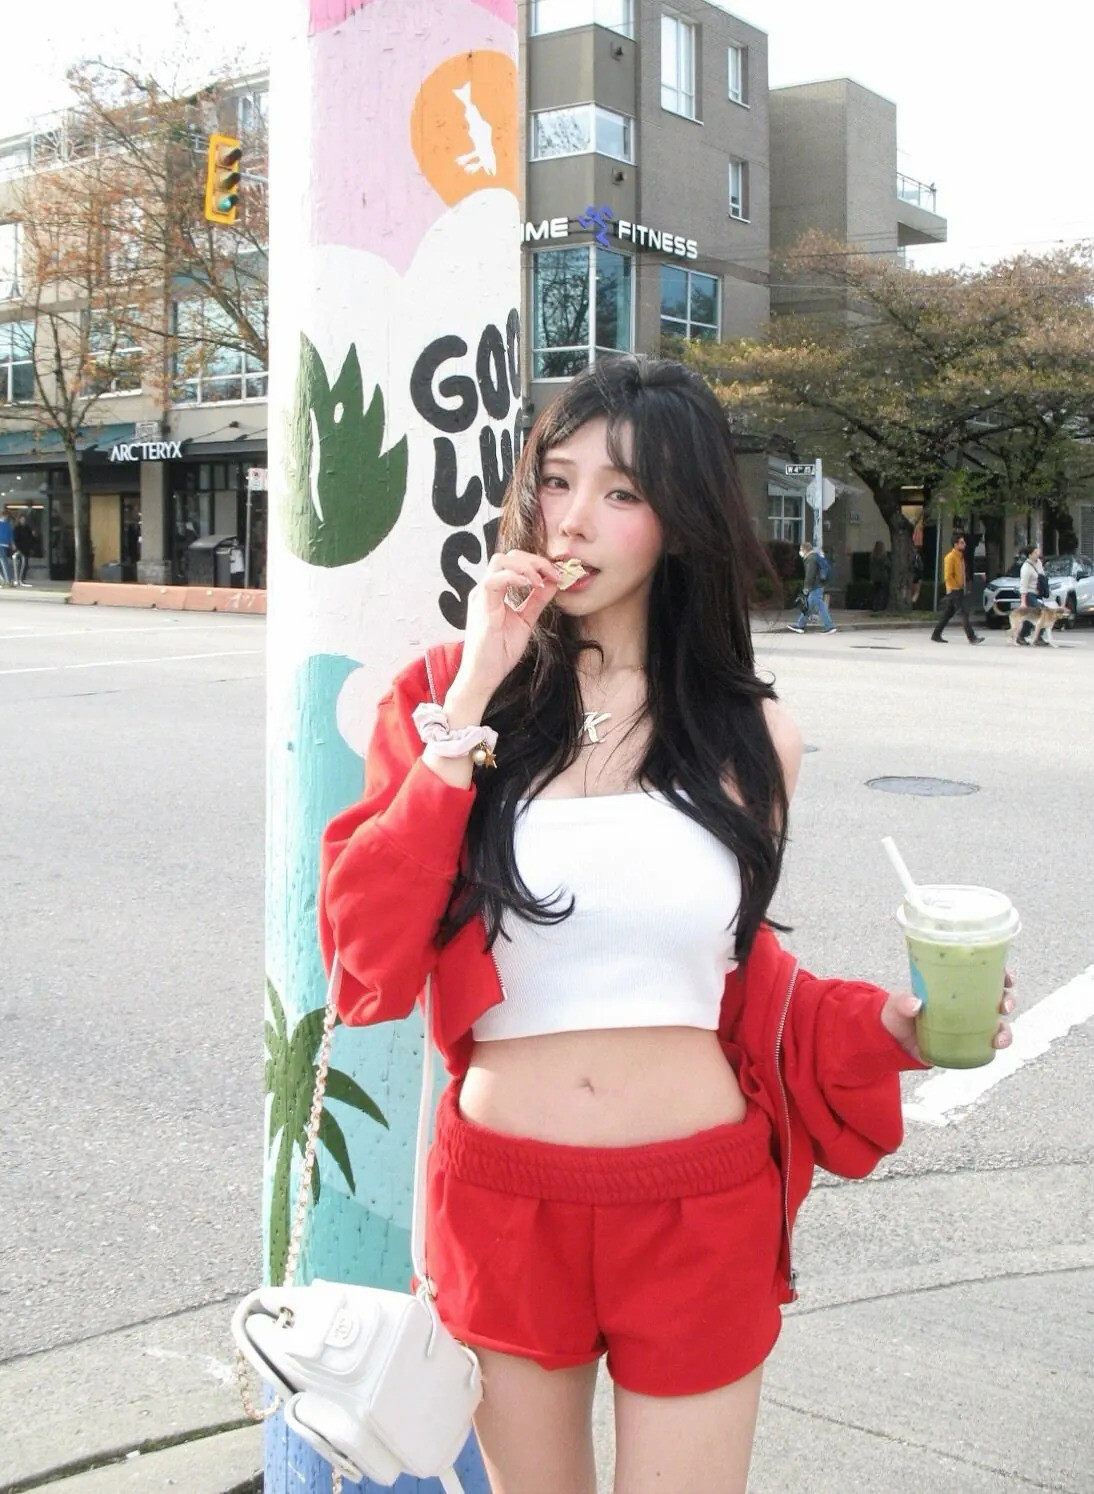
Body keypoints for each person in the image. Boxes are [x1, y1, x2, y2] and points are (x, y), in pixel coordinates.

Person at [317, 357, 1014, 1494]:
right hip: (502, 1197)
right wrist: (475, 690)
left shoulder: (751, 737)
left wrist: (886, 1024)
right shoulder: (447, 699)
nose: (572, 521)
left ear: (679, 521)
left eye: (622, 493)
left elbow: (722, 976)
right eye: (556, 481)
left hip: (695, 1199)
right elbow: (366, 966)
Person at [930, 533, 983, 644]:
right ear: (955, 544)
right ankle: (972, 637)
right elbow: (948, 576)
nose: (964, 544)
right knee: (963, 613)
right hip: (954, 590)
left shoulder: (960, 557)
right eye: (962, 543)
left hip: (959, 589)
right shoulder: (950, 557)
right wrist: (956, 587)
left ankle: (936, 634)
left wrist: (964, 586)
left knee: (948, 614)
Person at [786, 540, 836, 634]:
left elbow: (810, 575)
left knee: (820, 606)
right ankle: (800, 625)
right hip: (818, 585)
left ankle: (829, 626)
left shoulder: (810, 559)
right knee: (808, 606)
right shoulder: (815, 557)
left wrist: (806, 588)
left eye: (801, 550)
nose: (800, 552)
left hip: (815, 586)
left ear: (805, 550)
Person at [1017, 545, 1048, 647]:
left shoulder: (1038, 563)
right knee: (1041, 613)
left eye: (1037, 552)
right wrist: (1023, 602)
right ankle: (1036, 637)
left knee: (1031, 616)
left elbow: (1042, 575)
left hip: (1038, 593)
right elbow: (1023, 586)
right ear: (1029, 555)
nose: (1037, 554)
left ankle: (1023, 636)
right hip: (1029, 594)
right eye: (1035, 553)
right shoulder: (1025, 568)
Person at [12, 513, 34, 587]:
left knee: (25, 564)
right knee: (20, 564)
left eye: (24, 520)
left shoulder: (27, 528)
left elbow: (30, 538)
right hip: (20, 548)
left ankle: (21, 578)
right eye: (22, 519)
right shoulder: (17, 528)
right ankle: (18, 579)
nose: (23, 521)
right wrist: (16, 547)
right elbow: (15, 538)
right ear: (19, 520)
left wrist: (31, 547)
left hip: (26, 548)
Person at [869, 539, 891, 612]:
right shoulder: (884, 557)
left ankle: (875, 606)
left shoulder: (872, 557)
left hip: (875, 577)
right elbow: (888, 565)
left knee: (876, 592)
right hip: (883, 577)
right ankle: (881, 606)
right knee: (883, 592)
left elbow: (871, 568)